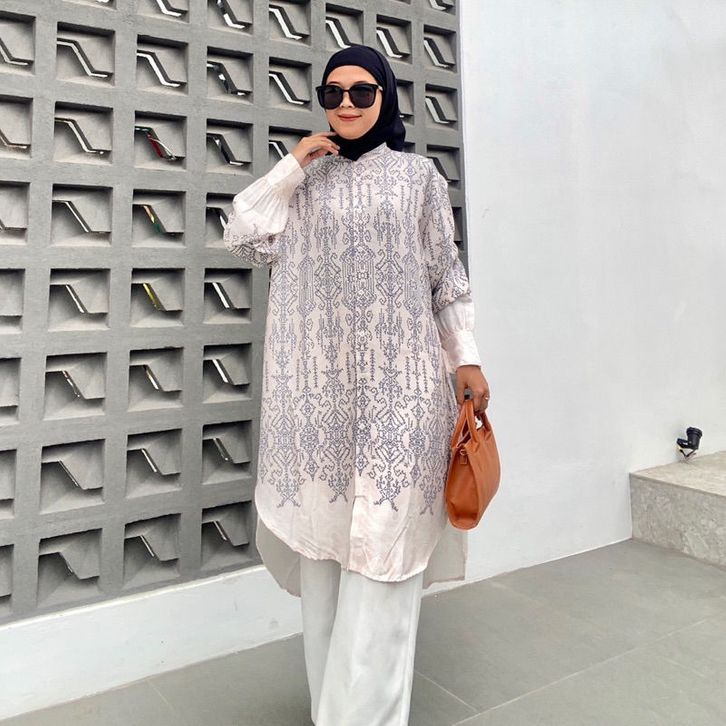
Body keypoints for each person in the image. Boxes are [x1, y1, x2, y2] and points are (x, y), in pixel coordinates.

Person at [224, 44, 489, 726]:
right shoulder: (306, 180)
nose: (345, 104)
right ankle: (331, 713)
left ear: (386, 96)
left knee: (384, 559)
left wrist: (466, 358)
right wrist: (291, 166)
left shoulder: (417, 177)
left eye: (361, 91)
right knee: (325, 568)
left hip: (404, 387)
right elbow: (243, 235)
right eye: (332, 93)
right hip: (319, 399)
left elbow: (446, 275)